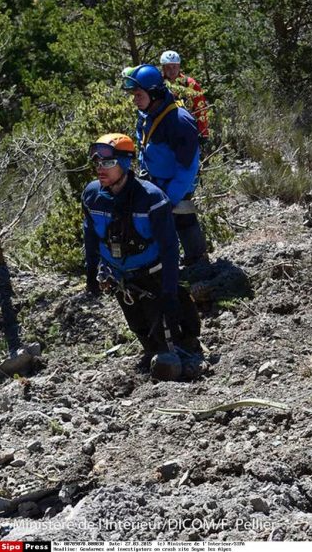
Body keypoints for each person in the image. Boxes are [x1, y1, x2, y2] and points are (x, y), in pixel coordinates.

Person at [82, 133, 204, 381]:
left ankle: (183, 359)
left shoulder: (152, 199)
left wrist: (169, 293)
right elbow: (90, 236)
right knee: (140, 330)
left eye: (108, 163)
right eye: (97, 163)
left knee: (170, 338)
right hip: (121, 279)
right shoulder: (92, 195)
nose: (100, 169)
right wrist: (91, 273)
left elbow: (170, 249)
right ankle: (152, 354)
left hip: (153, 279)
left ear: (125, 163)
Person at [122, 64, 209, 267]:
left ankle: (198, 262)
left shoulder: (179, 121)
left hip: (176, 186)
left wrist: (169, 199)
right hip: (156, 181)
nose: (134, 100)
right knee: (160, 225)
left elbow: (188, 168)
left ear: (153, 93)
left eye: (138, 95)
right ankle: (163, 263)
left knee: (182, 218)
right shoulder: (148, 113)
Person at [160, 50, 210, 142]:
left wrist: (204, 133)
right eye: (168, 67)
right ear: (163, 68)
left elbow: (201, 108)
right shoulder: (158, 84)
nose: (172, 70)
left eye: (174, 66)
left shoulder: (190, 84)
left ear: (179, 66)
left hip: (187, 129)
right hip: (163, 131)